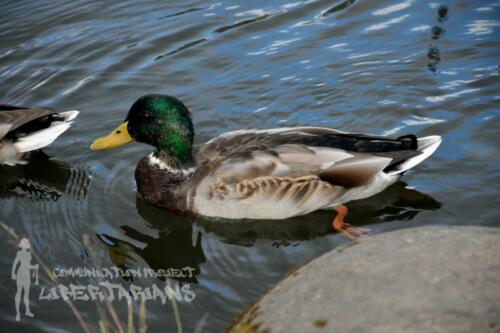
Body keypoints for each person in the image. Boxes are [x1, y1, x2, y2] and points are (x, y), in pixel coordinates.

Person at [11, 238, 38, 321]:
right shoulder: (20, 254)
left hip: (25, 274)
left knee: (25, 294)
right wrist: (13, 273)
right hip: (22, 273)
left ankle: (26, 311)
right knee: (20, 293)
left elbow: (26, 265)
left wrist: (33, 267)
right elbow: (16, 263)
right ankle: (18, 313)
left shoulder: (28, 254)